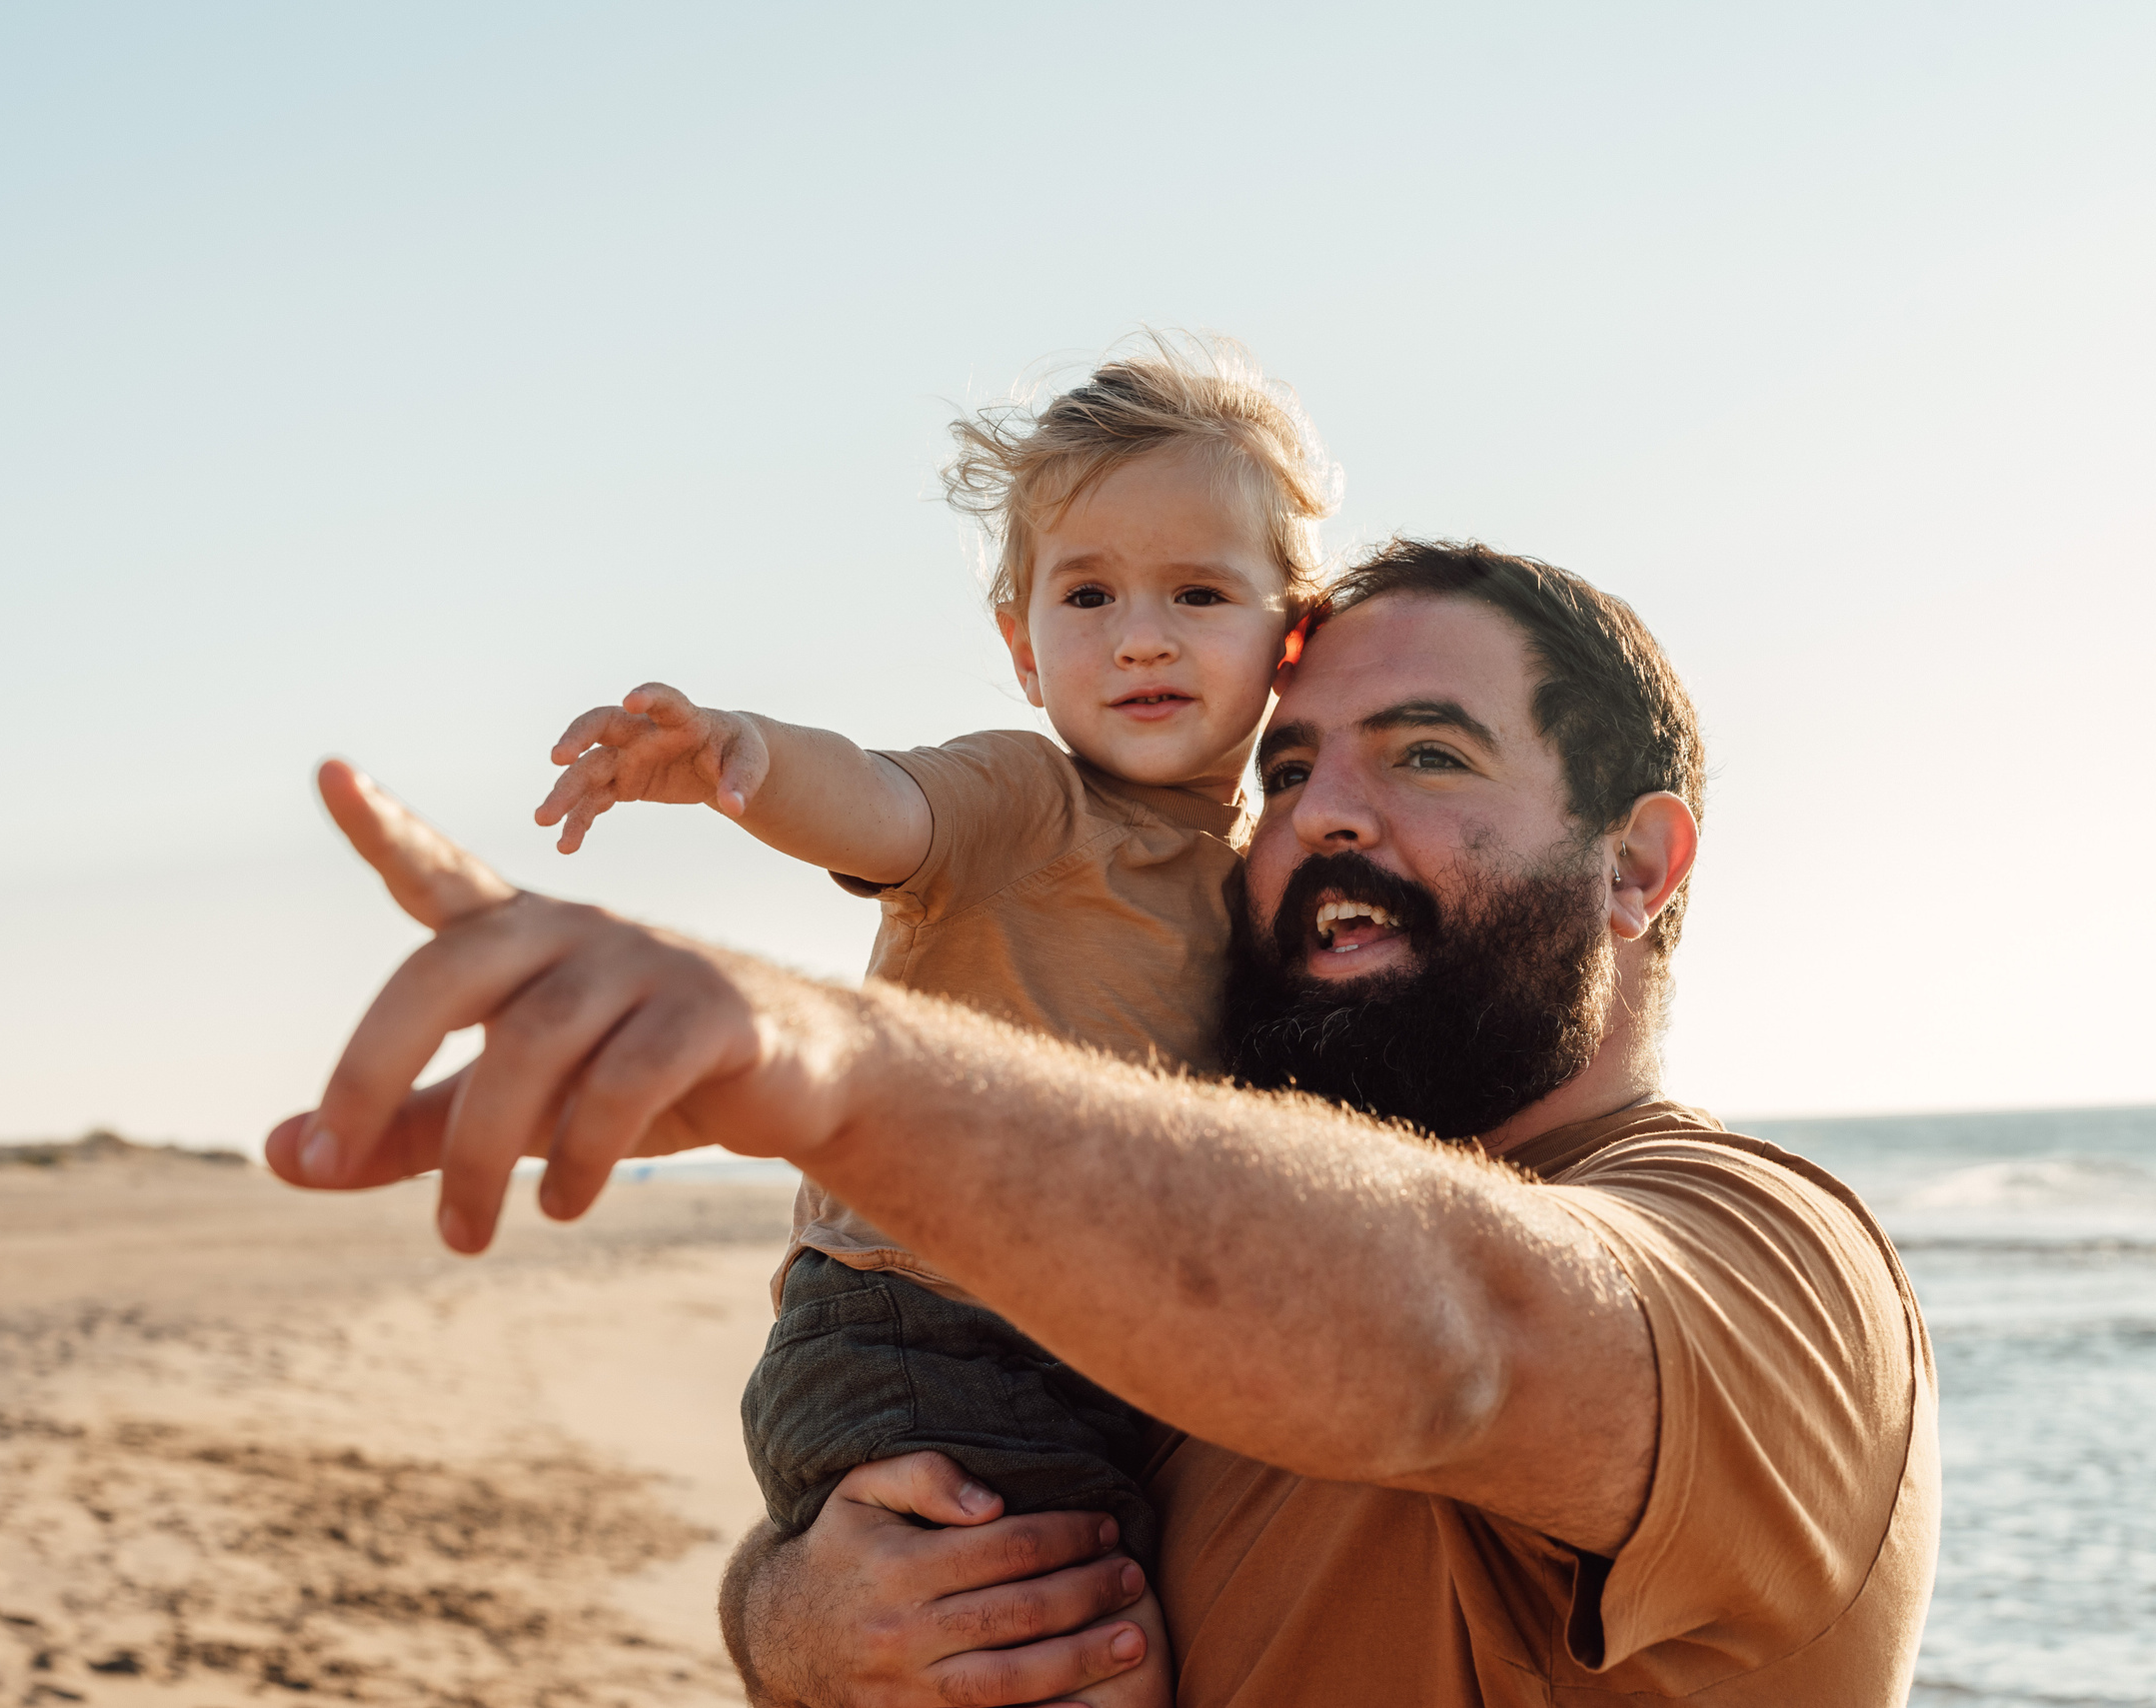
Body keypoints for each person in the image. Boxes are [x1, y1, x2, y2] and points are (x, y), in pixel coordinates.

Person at [271, 541, 1938, 1705]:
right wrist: (799, 1618)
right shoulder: (1208, 1239)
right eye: (1283, 773)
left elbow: (1470, 1330)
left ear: (1639, 864)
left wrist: (836, 1060)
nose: (1325, 813)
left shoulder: (1776, 1261)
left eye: (1426, 751)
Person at [524, 339, 1335, 1707]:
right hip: (922, 1325)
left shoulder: (1264, 885)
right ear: (1022, 649)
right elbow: (883, 804)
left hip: (1083, 1362)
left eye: (1198, 591)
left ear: (1290, 635)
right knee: (1085, 1661)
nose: (1141, 633)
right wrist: (747, 758)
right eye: (1090, 593)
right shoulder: (1025, 800)